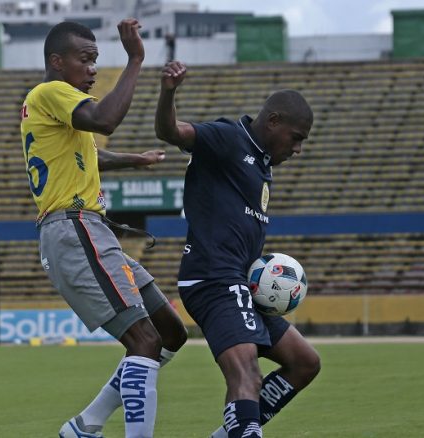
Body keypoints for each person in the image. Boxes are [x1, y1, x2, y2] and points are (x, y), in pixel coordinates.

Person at [20, 20, 187, 438]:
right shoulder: (52, 92)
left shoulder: (54, 103)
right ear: (57, 62)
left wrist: (136, 161)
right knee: (145, 341)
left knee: (170, 332)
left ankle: (86, 424)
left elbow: (89, 153)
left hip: (88, 230)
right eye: (86, 59)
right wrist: (135, 60)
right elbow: (106, 119)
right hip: (74, 229)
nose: (93, 68)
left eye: (96, 60)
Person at [155, 61, 322, 438]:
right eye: (296, 138)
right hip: (213, 278)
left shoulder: (262, 163)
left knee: (304, 362)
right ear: (273, 121)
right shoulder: (229, 138)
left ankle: (232, 432)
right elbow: (170, 131)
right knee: (246, 370)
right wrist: (169, 91)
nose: (297, 149)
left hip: (241, 282)